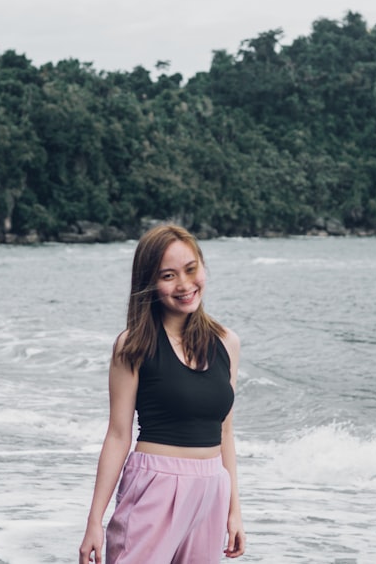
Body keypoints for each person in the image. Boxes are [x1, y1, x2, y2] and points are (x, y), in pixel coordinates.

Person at [79, 224, 245, 563]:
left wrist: (234, 510)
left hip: (212, 489)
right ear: (150, 284)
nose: (184, 285)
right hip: (155, 486)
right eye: (168, 275)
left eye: (191, 269)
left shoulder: (227, 342)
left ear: (202, 266)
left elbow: (225, 431)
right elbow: (118, 434)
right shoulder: (133, 346)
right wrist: (94, 520)